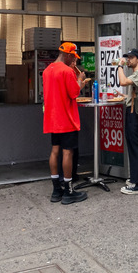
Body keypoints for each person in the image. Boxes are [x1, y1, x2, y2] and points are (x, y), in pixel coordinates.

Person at [42, 42, 88, 204]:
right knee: (68, 152)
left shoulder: (47, 70)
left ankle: (56, 190)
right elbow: (74, 92)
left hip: (52, 117)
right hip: (66, 118)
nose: (74, 60)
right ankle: (68, 192)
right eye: (73, 57)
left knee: (55, 151)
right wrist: (80, 79)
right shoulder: (67, 71)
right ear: (67, 55)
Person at [116, 48, 138, 194]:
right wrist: (125, 97)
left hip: (134, 113)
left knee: (135, 146)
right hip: (133, 110)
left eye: (131, 57)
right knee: (136, 145)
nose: (128, 60)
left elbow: (123, 82)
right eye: (127, 57)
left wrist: (119, 66)